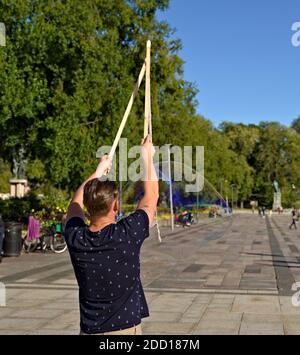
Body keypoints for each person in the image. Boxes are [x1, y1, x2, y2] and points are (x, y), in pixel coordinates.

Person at [64, 136, 158, 335]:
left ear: (88, 207)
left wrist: (97, 172)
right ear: (115, 206)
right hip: (124, 332)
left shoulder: (76, 238)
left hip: (89, 331)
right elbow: (151, 198)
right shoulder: (126, 234)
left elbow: (74, 205)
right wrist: (147, 157)